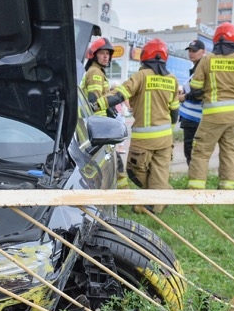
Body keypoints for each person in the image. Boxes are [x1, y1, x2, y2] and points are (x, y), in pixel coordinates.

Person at [98, 39, 180, 213]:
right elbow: (174, 111)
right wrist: (168, 130)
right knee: (159, 172)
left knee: (134, 170)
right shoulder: (172, 79)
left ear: (144, 58)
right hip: (165, 138)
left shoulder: (141, 76)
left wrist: (96, 104)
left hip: (144, 138)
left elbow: (120, 94)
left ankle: (158, 198)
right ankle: (156, 203)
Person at [186, 23, 234, 190]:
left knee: (201, 152)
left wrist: (205, 96)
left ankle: (196, 191)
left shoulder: (207, 60)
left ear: (216, 40)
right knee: (229, 153)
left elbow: (195, 88)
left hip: (212, 115)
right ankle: (226, 190)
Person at [178, 40, 206, 166]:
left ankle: (195, 178)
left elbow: (201, 91)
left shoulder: (202, 67)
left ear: (203, 52)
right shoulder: (195, 68)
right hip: (191, 117)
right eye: (189, 51)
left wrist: (185, 97)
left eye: (194, 51)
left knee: (192, 151)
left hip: (195, 118)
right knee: (190, 151)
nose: (191, 53)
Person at [81, 37, 116, 117]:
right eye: (102, 53)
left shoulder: (97, 71)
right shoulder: (95, 72)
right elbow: (94, 99)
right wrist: (107, 107)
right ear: (94, 55)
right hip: (98, 118)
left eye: (107, 53)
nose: (105, 56)